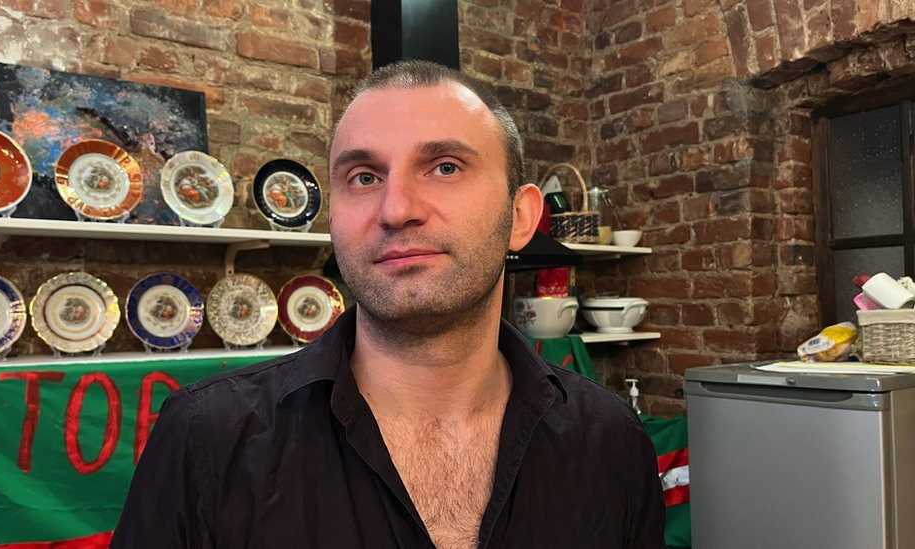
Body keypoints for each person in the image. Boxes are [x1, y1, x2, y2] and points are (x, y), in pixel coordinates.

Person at [111, 60, 665, 548]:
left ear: (521, 217)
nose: (396, 208)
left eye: (445, 166)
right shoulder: (207, 438)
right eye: (364, 176)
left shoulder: (610, 440)